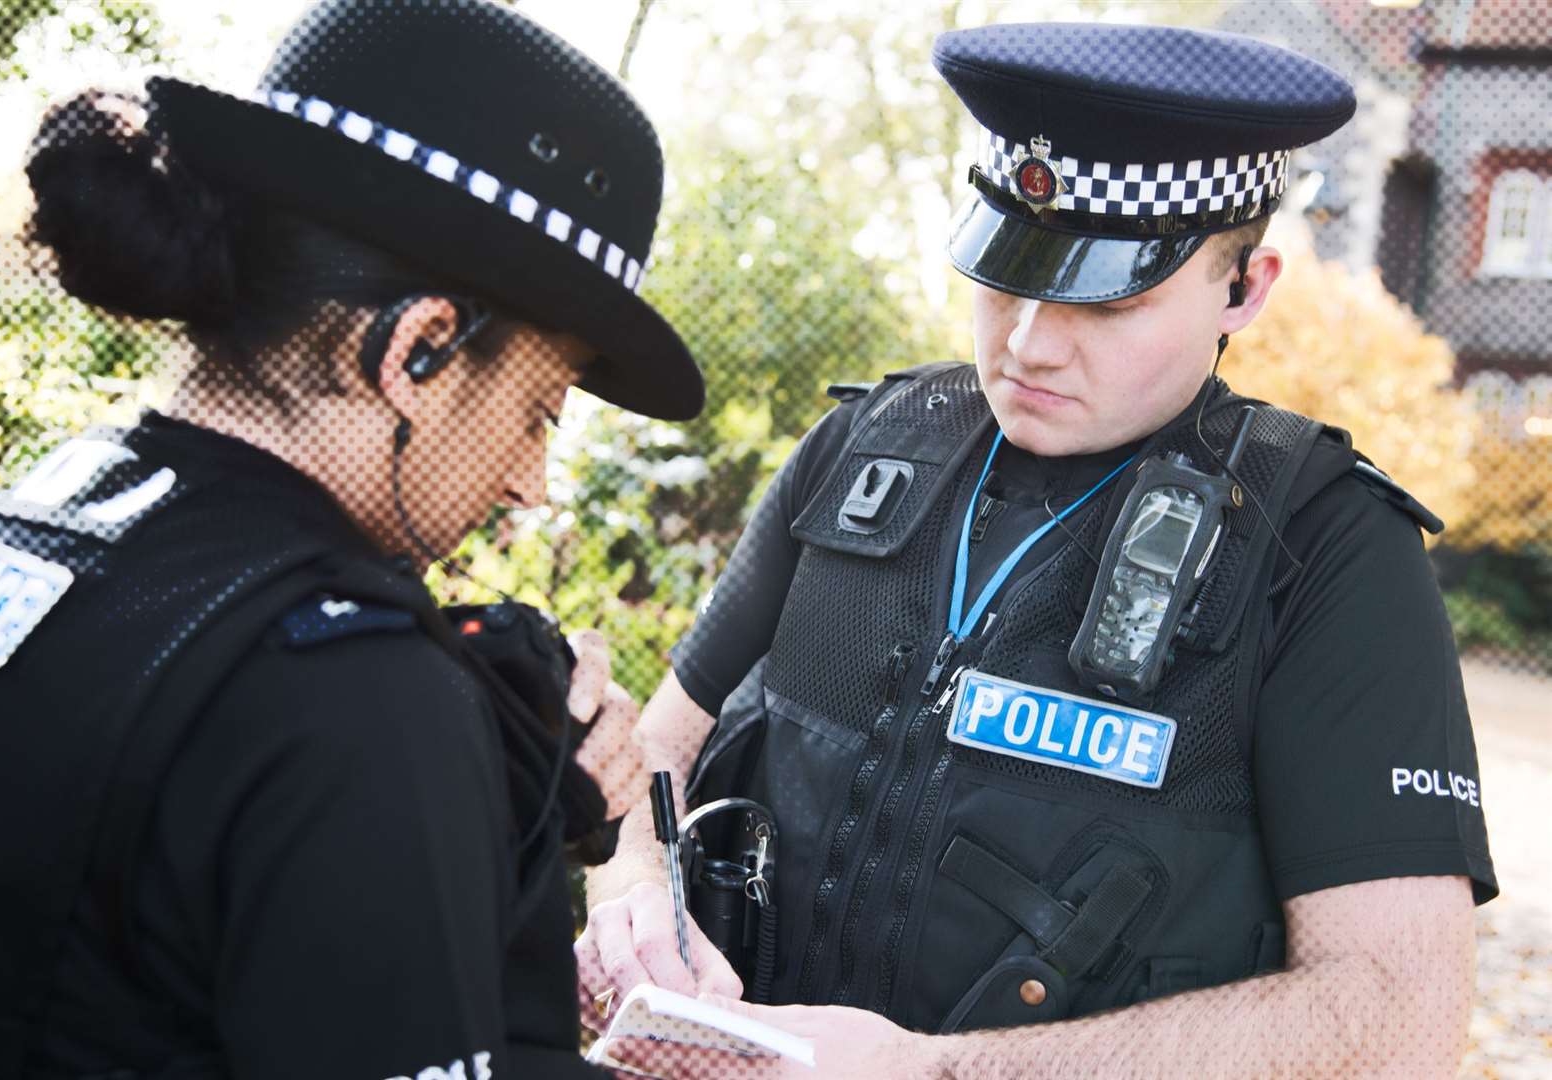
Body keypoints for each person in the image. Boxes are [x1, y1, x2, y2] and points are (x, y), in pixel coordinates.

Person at [578, 22, 1496, 1078]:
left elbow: (1395, 1014)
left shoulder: (1325, 546)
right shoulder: (862, 450)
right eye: (1007, 276)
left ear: (1243, 288)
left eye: (1109, 298)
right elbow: (656, 755)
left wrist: (934, 1073)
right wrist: (633, 899)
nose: (1027, 343)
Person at [0, 1, 698, 1076]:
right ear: (419, 351)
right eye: (540, 410)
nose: (528, 483)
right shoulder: (349, 693)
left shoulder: (13, 536)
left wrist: (495, 802)